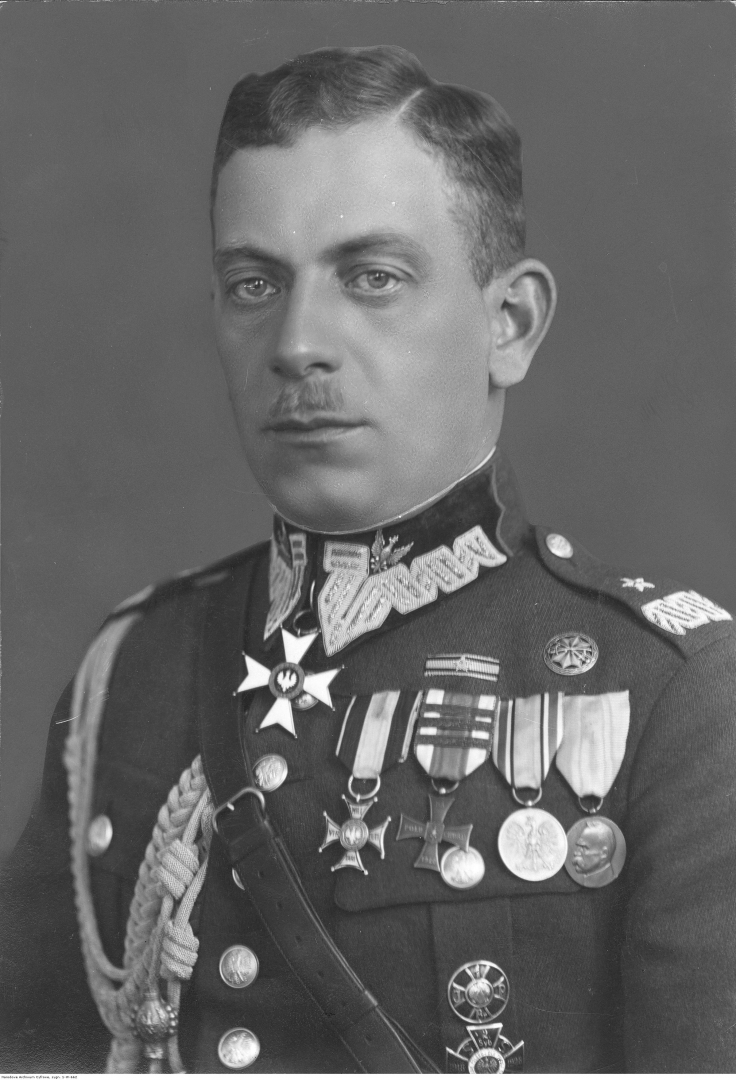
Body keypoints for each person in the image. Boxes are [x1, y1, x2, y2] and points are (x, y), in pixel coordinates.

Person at [2, 44, 736, 1075]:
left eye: (373, 278)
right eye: (254, 283)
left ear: (510, 324)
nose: (297, 341)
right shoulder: (132, 671)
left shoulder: (675, 697)